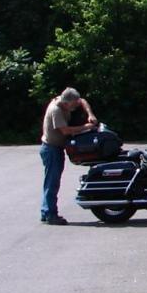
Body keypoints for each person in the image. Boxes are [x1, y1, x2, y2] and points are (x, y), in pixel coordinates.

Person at [39, 87, 97, 225]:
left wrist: (90, 114)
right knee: (52, 182)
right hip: (51, 149)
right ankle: (50, 214)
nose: (76, 106)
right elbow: (65, 131)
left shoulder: (65, 100)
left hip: (56, 148)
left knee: (51, 181)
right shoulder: (56, 110)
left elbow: (82, 101)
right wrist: (87, 127)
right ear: (66, 103)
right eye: (73, 104)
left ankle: (45, 211)